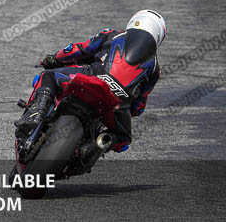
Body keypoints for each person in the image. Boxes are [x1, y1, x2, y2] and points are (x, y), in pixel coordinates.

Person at [14, 10, 165, 153]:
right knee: (123, 138)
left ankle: (36, 114)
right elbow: (138, 107)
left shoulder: (112, 35)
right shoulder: (155, 69)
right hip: (117, 105)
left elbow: (76, 50)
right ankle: (95, 147)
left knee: (48, 76)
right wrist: (125, 106)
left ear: (134, 22)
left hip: (93, 78)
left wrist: (53, 59)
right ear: (158, 36)